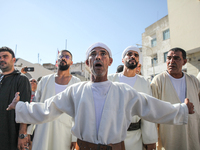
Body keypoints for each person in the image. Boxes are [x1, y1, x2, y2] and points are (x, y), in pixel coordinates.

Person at [7, 43, 194, 150]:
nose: (98, 57)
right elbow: (48, 107)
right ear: (88, 62)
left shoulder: (123, 91)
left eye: (103, 54)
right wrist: (21, 107)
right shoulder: (76, 91)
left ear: (110, 61)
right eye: (93, 54)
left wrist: (182, 109)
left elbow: (152, 107)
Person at [27, 50, 81, 150]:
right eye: (61, 56)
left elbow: (78, 111)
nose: (63, 58)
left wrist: (75, 138)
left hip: (65, 132)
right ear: (57, 61)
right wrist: (29, 132)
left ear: (71, 63)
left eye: (67, 57)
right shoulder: (44, 80)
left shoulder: (76, 82)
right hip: (43, 130)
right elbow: (35, 106)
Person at [108, 46, 157, 150]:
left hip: (136, 138)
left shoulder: (144, 82)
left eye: (136, 55)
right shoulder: (111, 79)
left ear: (138, 61)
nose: (133, 56)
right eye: (129, 54)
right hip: (112, 137)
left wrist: (150, 139)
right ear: (123, 60)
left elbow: (148, 111)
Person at [151, 47, 200, 150]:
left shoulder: (193, 81)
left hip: (192, 133)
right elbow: (152, 110)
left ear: (184, 62)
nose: (171, 61)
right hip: (169, 136)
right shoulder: (158, 80)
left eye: (176, 58)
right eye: (168, 58)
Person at [0, 46, 31, 150]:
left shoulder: (22, 80)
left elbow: (25, 110)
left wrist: (22, 134)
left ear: (13, 60)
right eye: (0, 57)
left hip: (11, 135)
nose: (1, 59)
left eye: (5, 57)